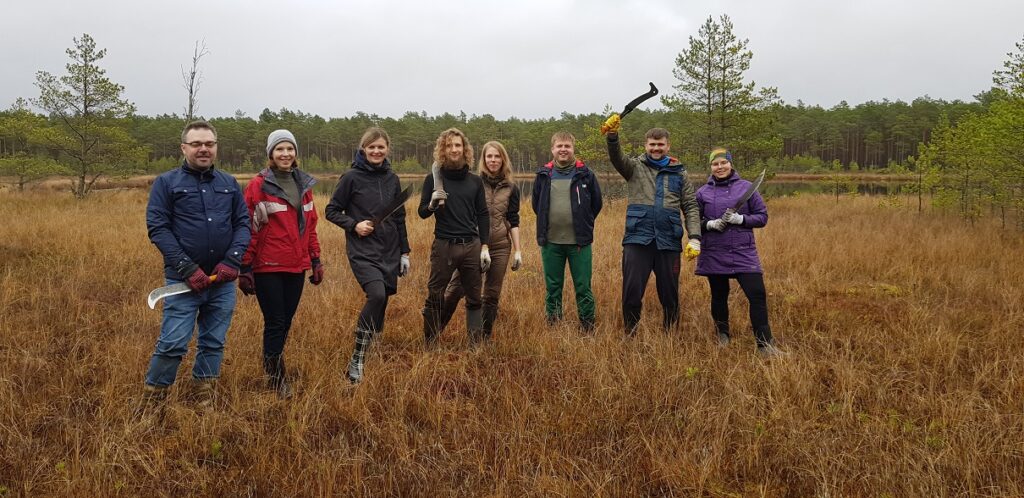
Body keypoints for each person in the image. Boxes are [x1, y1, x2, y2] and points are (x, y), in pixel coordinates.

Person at [143, 120, 250, 409]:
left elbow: (243, 223)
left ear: (216, 147)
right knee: (173, 342)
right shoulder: (167, 183)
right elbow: (158, 228)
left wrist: (232, 260)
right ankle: (154, 401)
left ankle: (204, 393)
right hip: (182, 282)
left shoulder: (229, 183)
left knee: (213, 341)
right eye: (197, 144)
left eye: (209, 144)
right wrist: (188, 269)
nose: (203, 149)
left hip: (222, 281)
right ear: (184, 148)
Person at [238, 129, 322, 398]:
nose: (285, 154)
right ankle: (277, 378)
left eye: (290, 149)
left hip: (296, 265)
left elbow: (310, 227)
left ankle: (272, 361)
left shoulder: (303, 185)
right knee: (275, 321)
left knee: (286, 320)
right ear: (271, 154)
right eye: (280, 149)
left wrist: (316, 259)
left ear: (296, 153)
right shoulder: (258, 185)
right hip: (268, 265)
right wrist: (245, 266)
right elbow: (248, 227)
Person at [602, 116, 701, 335]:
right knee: (631, 291)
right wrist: (612, 136)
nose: (656, 148)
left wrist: (694, 237)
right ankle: (631, 332)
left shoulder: (680, 173)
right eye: (652, 144)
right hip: (638, 239)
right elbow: (616, 157)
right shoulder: (634, 168)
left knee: (670, 293)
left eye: (660, 144)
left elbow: (691, 206)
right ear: (646, 145)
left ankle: (670, 334)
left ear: (668, 146)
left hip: (669, 241)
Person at [326, 127, 410, 383]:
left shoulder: (392, 179)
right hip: (363, 250)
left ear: (387, 150)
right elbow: (331, 210)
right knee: (376, 294)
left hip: (389, 249)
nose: (376, 151)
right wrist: (354, 225)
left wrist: (405, 251)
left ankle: (371, 350)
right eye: (371, 147)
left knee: (383, 300)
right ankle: (356, 359)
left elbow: (399, 217)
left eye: (380, 147)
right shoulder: (351, 177)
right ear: (363, 149)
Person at [696, 148, 781, 356]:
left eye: (723, 163)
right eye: (715, 164)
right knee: (719, 295)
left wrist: (741, 220)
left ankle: (764, 345)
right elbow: (693, 222)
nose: (720, 167)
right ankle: (722, 335)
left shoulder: (746, 188)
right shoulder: (702, 193)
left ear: (731, 164)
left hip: (743, 251)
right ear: (710, 167)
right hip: (714, 251)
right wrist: (709, 224)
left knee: (757, 295)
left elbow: (762, 217)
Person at [438, 141, 523, 341]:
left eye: (497, 156)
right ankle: (435, 331)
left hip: (501, 246)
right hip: (473, 245)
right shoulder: (473, 183)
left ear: (503, 159)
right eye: (489, 157)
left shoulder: (512, 188)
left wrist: (518, 250)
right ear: (483, 160)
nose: (493, 160)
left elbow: (513, 220)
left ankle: (481, 339)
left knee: (491, 295)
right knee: (455, 289)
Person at [418, 128, 490, 346]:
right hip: (444, 246)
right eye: (449, 145)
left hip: (471, 246)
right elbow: (422, 212)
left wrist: (485, 246)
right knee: (435, 295)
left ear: (465, 149)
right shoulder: (433, 178)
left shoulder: (475, 181)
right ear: (443, 149)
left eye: (458, 145)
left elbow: (482, 214)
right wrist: (431, 204)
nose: (454, 149)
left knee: (475, 298)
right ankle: (430, 345)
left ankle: (475, 346)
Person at [532, 131, 602, 332]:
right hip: (551, 242)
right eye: (559, 146)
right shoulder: (544, 175)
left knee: (583, 286)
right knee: (553, 287)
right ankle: (554, 324)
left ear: (573, 149)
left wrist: (583, 223)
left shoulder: (586, 174)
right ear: (552, 149)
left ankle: (587, 326)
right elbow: (537, 205)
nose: (563, 150)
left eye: (567, 146)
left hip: (579, 243)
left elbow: (596, 204)